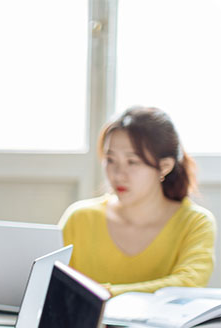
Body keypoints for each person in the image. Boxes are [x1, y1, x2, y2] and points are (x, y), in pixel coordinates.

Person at [59, 106, 216, 296]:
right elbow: (50, 283)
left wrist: (103, 294)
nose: (118, 174)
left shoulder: (195, 222)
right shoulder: (79, 218)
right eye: (110, 160)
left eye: (132, 162)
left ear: (164, 167)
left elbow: (187, 284)